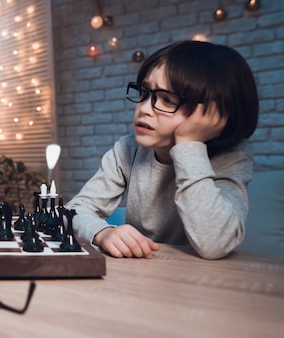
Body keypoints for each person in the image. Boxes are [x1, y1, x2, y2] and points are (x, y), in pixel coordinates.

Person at [66, 40, 259, 260]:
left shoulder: (232, 157)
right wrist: (102, 232)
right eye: (144, 92)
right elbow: (74, 210)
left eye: (167, 100)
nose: (144, 109)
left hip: (204, 279)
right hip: (145, 270)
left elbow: (215, 244)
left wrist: (188, 144)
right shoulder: (128, 149)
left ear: (213, 113)